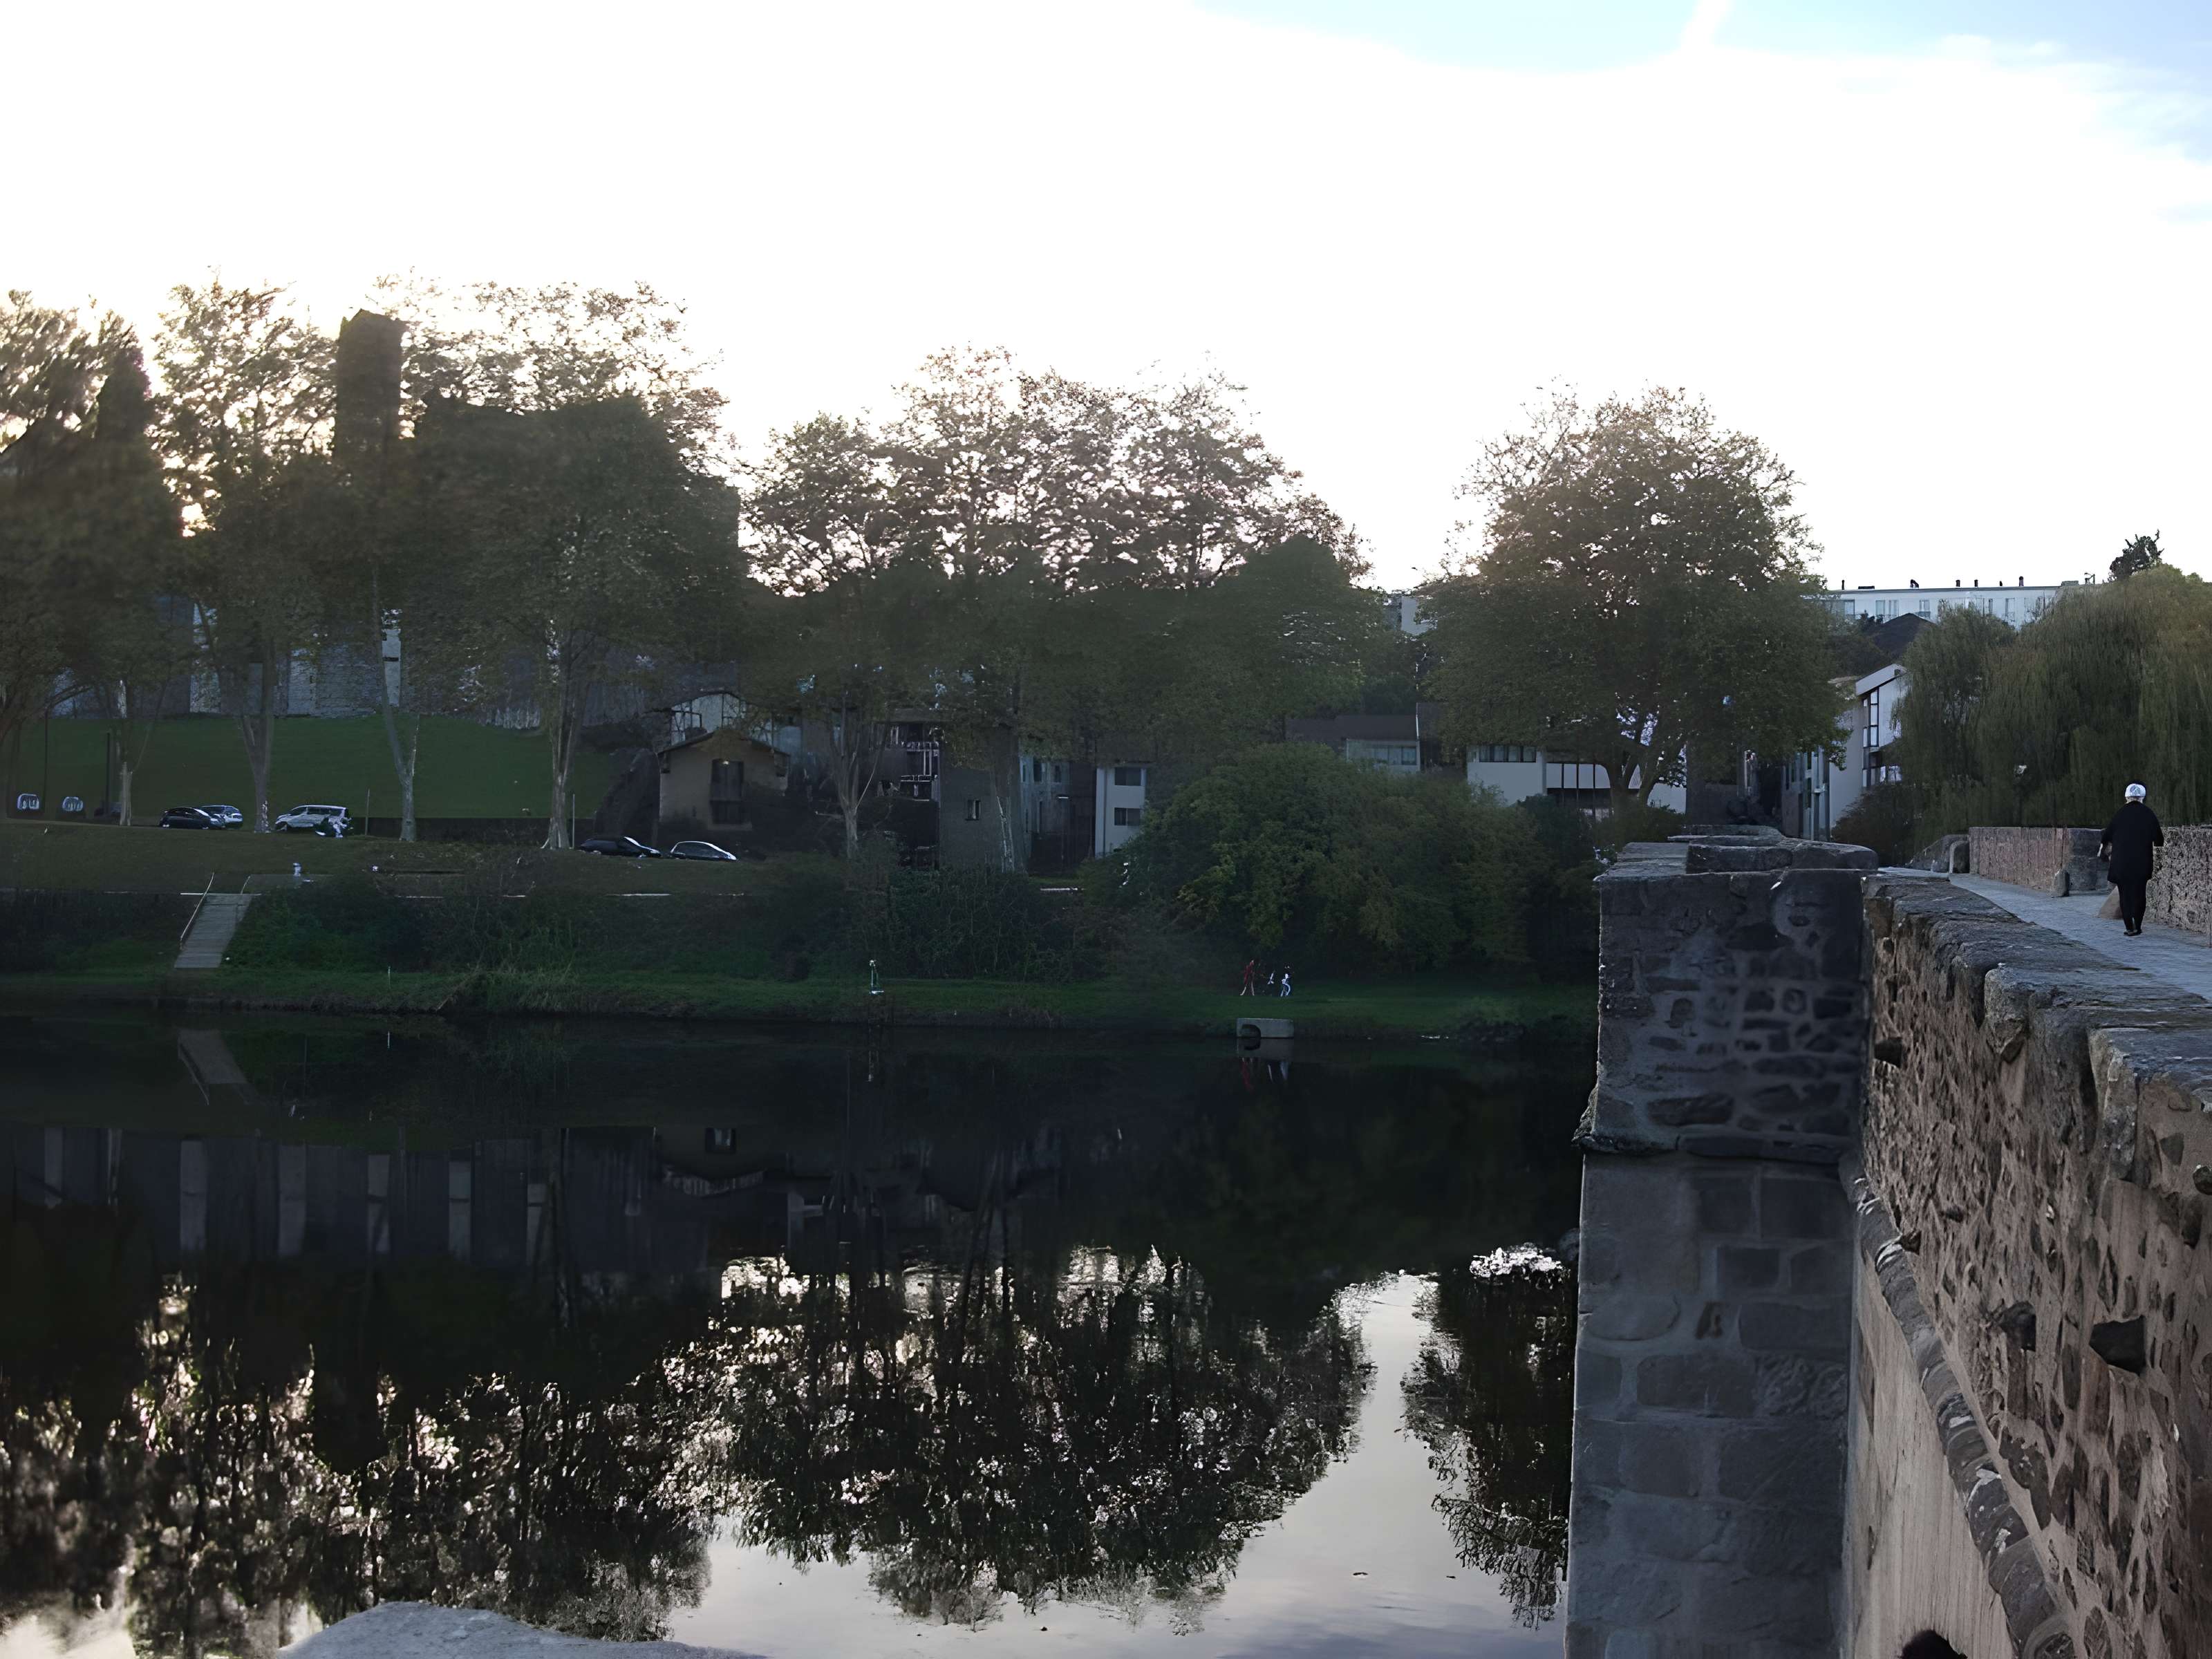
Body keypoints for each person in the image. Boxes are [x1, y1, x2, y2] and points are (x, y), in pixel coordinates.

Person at [2099, 782, 2164, 937]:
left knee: (2125, 895)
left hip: (2121, 863)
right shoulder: (2148, 814)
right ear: (2142, 797)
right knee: (2140, 894)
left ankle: (2129, 926)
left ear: (2127, 797)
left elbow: (2106, 837)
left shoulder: (2119, 814)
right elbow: (2159, 840)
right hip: (2141, 863)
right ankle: (2138, 926)